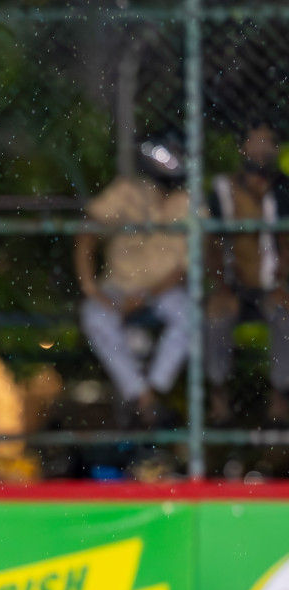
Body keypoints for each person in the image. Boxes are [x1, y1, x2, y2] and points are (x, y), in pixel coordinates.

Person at [75, 140, 192, 427]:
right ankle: (142, 396)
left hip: (163, 290)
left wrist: (143, 297)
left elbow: (184, 269)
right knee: (93, 316)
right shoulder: (127, 190)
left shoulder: (190, 203)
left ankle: (153, 388)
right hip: (118, 286)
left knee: (191, 315)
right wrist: (90, 288)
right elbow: (86, 232)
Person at [206, 124, 289, 424]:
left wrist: (281, 284)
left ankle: (280, 399)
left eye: (268, 141)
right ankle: (220, 400)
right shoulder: (223, 190)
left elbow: (286, 243)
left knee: (285, 314)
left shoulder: (284, 190)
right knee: (213, 318)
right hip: (231, 284)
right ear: (243, 148)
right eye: (255, 141)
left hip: (271, 283)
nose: (261, 148)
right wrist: (220, 287)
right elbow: (210, 243)